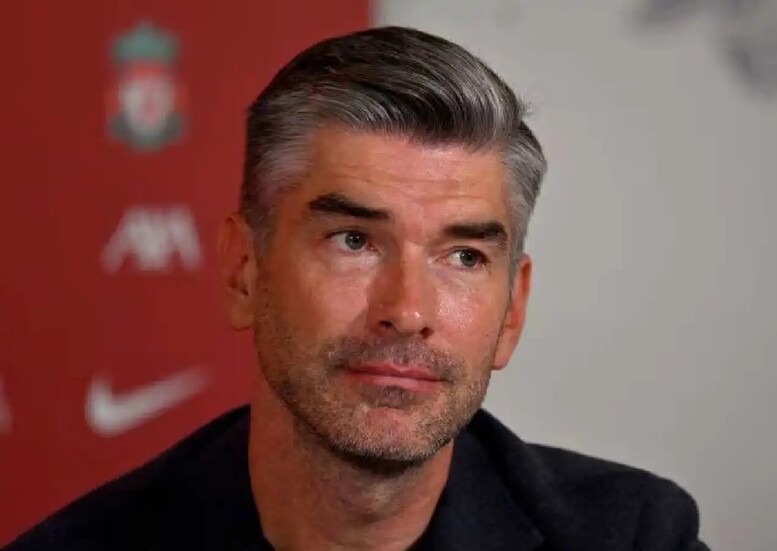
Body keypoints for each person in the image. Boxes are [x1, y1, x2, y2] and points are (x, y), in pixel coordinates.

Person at [6, 26, 708, 551]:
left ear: (512, 310)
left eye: (464, 256)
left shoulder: (635, 538)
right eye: (353, 240)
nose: (407, 310)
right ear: (244, 271)